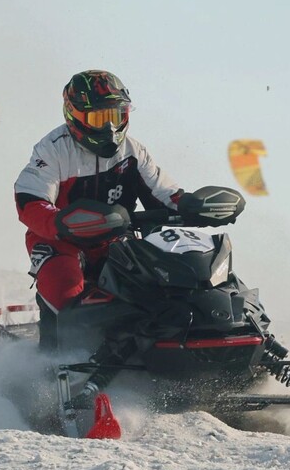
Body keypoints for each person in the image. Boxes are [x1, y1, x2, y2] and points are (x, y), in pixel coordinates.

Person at [13, 70, 183, 350]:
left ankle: (177, 350)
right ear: (74, 116)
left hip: (117, 241)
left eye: (116, 116)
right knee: (63, 287)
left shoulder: (133, 151)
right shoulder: (52, 150)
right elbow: (29, 200)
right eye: (98, 118)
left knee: (166, 280)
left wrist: (190, 204)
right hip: (62, 242)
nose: (109, 128)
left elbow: (164, 193)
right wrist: (58, 222)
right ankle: (49, 369)